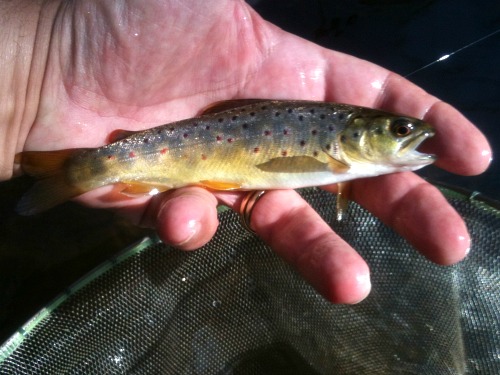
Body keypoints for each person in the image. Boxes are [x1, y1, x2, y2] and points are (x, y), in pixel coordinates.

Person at [0, 0, 491, 304]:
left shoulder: (341, 153)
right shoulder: (335, 152)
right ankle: (74, 170)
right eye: (400, 129)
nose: (413, 135)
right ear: (359, 133)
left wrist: (36, 71)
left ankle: (61, 167)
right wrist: (43, 61)